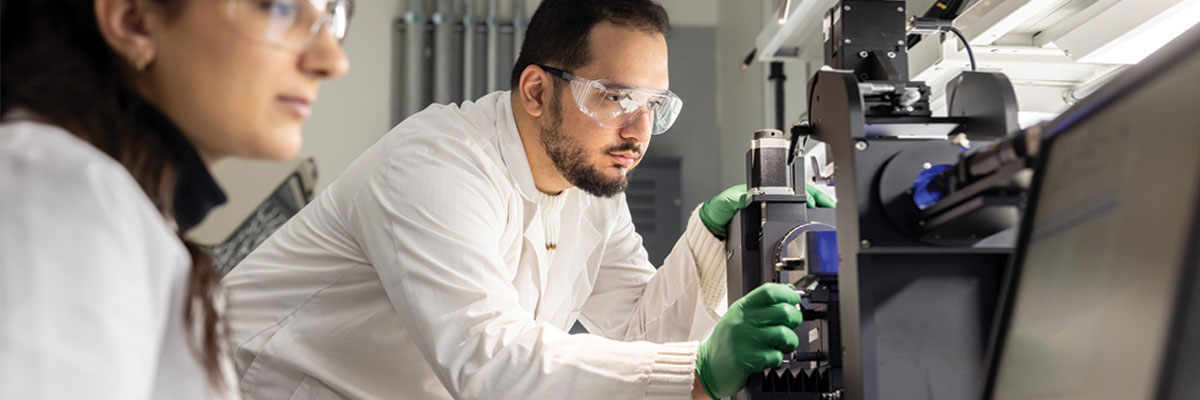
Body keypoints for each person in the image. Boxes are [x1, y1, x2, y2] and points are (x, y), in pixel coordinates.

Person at [223, 0, 836, 399]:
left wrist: (708, 236)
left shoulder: (589, 185)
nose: (638, 132)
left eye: (654, 106)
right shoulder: (436, 164)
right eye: (616, 97)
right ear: (537, 91)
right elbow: (486, 357)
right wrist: (696, 371)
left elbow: (633, 329)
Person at [0, 0, 350, 398]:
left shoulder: (122, 209)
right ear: (132, 21)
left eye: (332, 17)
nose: (332, 60)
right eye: (278, 7)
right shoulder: (58, 197)